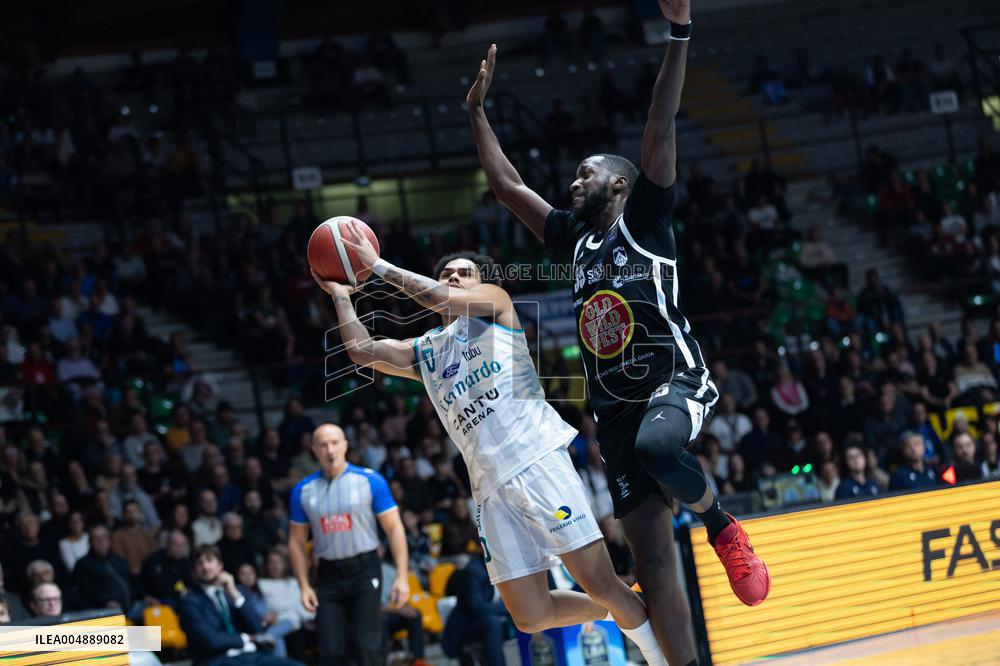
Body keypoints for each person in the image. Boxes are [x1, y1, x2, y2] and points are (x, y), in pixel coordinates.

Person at [466, 3, 769, 661]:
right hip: (615, 413)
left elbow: (660, 118)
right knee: (654, 568)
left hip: (672, 378)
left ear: (621, 182)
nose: (574, 183)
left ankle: (722, 526)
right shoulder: (573, 239)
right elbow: (507, 186)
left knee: (662, 446)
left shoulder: (648, 218)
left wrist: (679, 31)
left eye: (587, 173)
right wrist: (477, 113)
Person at [318, 231, 667, 664]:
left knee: (598, 582)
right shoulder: (426, 350)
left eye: (464, 274)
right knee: (531, 616)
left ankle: (658, 653)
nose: (453, 278)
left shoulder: (496, 307)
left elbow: (438, 297)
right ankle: (623, 606)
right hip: (488, 490)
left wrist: (377, 267)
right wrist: (341, 294)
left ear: (481, 285)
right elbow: (361, 350)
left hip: (537, 462)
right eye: (446, 274)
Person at [288, 424, 410, 666]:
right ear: (314, 450)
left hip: (365, 569)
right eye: (323, 445)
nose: (330, 450)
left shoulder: (370, 480)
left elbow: (394, 528)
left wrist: (402, 576)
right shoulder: (303, 490)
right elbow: (296, 541)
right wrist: (303, 585)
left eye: (335, 443)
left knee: (367, 646)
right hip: (328, 574)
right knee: (331, 650)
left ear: (345, 445)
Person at [178, 545, 303, 666]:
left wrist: (235, 595)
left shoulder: (238, 592)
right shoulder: (190, 601)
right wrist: (246, 638)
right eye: (199, 563)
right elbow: (211, 640)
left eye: (209, 560)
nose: (205, 567)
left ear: (220, 565)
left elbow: (257, 628)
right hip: (216, 659)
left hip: (251, 655)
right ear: (194, 571)